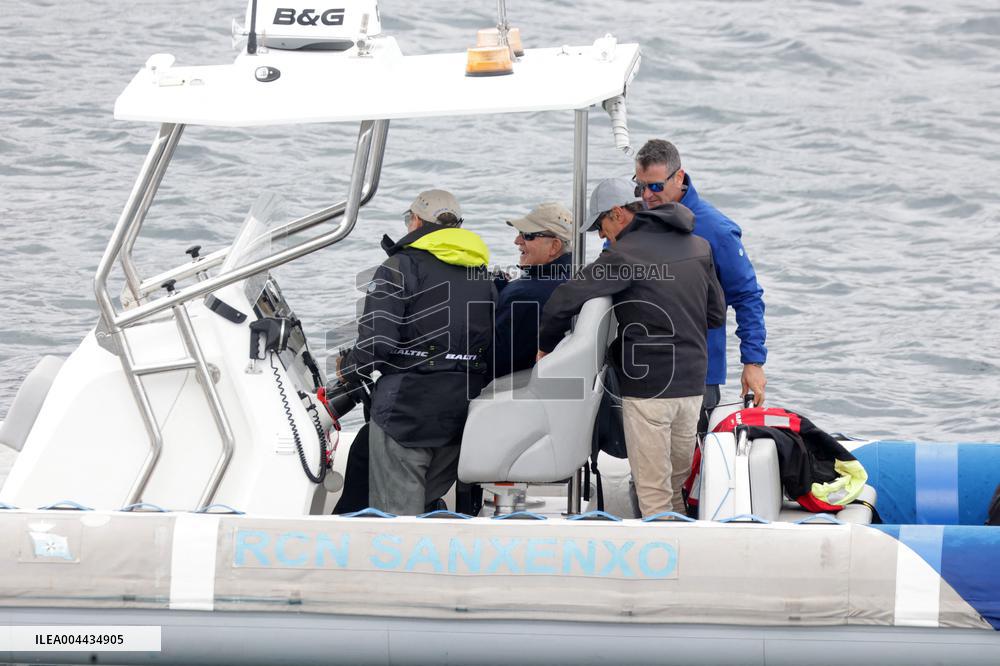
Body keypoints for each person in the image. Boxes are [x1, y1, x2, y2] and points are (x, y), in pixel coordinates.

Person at [537, 178, 725, 518]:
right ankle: (687, 555)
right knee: (677, 487)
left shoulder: (623, 256)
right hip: (693, 386)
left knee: (653, 495)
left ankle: (661, 567)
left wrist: (544, 348)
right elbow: (715, 315)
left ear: (618, 213)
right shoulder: (699, 247)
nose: (600, 235)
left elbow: (561, 300)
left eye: (601, 225)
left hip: (650, 389)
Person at [340, 189, 494, 515]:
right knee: (424, 504)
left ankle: (390, 564)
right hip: (460, 412)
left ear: (415, 221)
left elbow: (377, 344)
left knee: (398, 517)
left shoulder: (400, 266)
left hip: (406, 412)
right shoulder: (483, 275)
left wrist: (349, 370)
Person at [634, 139, 767, 419]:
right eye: (640, 185)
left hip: (696, 376)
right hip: (641, 369)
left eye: (655, 186)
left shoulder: (717, 230)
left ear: (679, 177)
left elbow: (747, 297)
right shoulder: (636, 221)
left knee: (689, 460)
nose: (646, 195)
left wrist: (753, 361)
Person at [494, 202, 574, 378]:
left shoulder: (523, 295)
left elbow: (496, 359)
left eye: (528, 236)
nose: (517, 241)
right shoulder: (578, 278)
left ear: (554, 246)